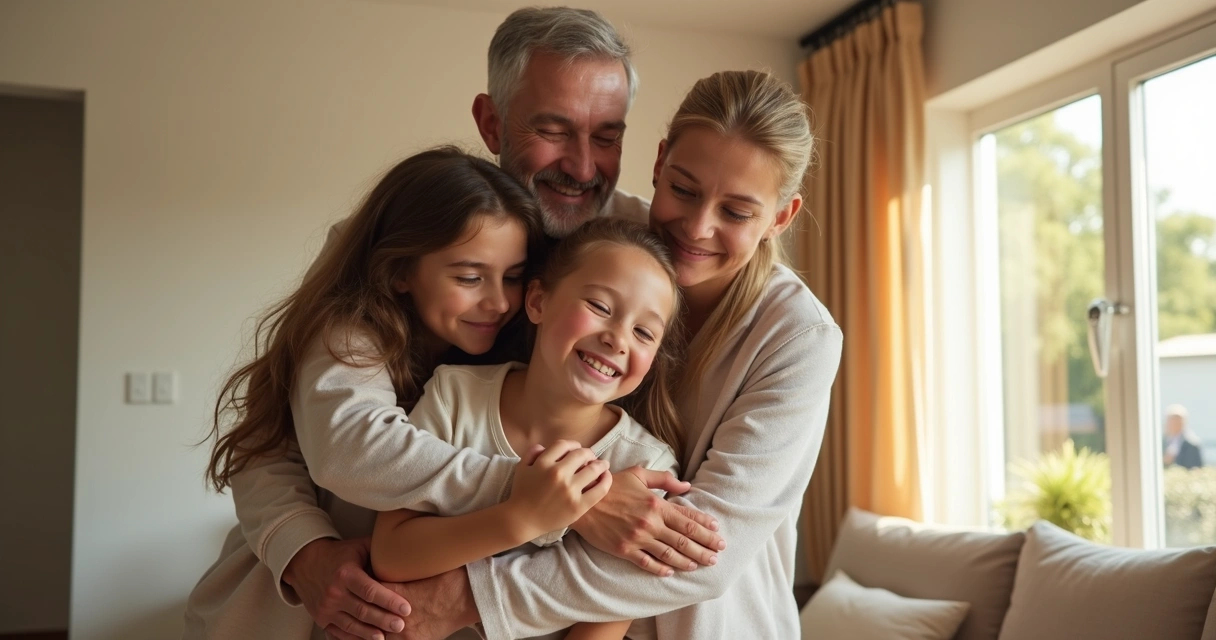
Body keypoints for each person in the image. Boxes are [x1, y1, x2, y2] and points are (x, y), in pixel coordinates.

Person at [210, 8, 726, 640]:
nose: (583, 166)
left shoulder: (631, 259)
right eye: (553, 129)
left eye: (607, 136)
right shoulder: (391, 249)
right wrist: (301, 550)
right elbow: (307, 440)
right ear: (491, 122)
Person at [394, 69, 843, 640]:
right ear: (658, 162)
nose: (697, 227)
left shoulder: (799, 337)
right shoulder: (596, 238)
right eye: (684, 189)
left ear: (781, 217)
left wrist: (468, 598)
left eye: (735, 212)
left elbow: (702, 548)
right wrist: (565, 501)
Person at [183, 146, 558, 638]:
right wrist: (536, 493)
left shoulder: (525, 352)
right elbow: (342, 450)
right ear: (400, 271)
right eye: (469, 277)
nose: (498, 302)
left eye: (513, 277)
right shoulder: (348, 330)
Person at [370, 219, 686, 640]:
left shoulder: (646, 466)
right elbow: (391, 554)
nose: (618, 339)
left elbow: (603, 620)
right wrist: (522, 518)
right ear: (537, 301)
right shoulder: (454, 396)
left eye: (643, 332)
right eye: (600, 307)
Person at [1164, 404, 1204, 470]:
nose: (1174, 423)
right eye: (1172, 420)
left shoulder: (1192, 444)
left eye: (1177, 420)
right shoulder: (1160, 442)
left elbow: (1196, 468)